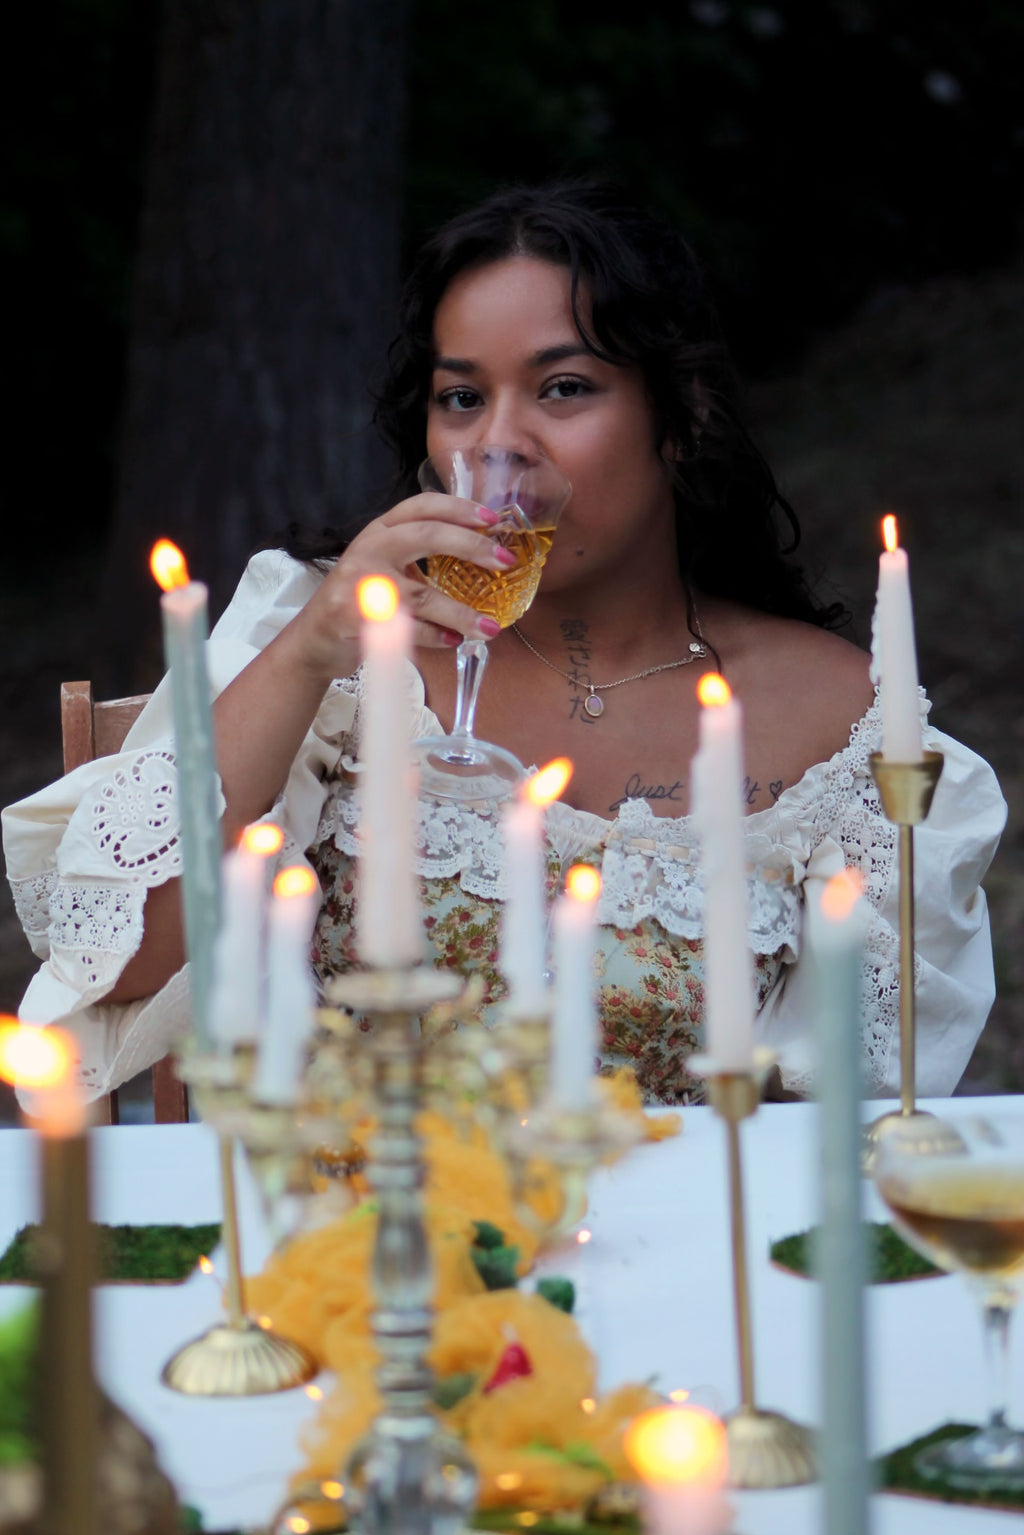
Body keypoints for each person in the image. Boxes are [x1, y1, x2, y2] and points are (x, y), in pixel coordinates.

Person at [2, 180, 1006, 1103]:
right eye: (462, 397)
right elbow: (116, 960)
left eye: (562, 388)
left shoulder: (846, 725)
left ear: (681, 417)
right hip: (351, 1246)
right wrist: (312, 650)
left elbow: (863, 1118)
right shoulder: (335, 651)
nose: (497, 445)